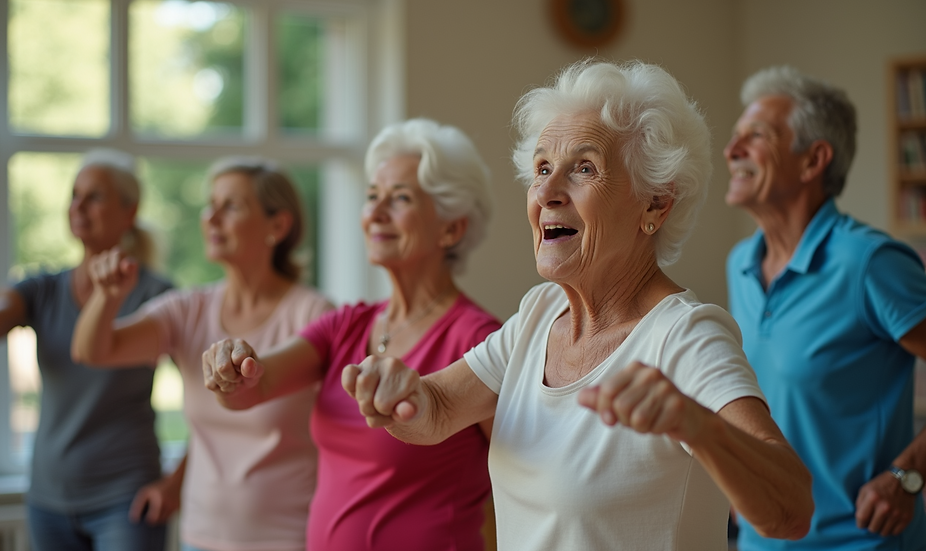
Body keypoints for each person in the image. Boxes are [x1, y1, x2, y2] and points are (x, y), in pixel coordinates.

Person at [320, 60, 816, 550]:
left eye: (584, 168)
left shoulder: (685, 336)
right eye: (541, 169)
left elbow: (791, 510)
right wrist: (399, 392)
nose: (547, 192)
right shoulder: (538, 315)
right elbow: (437, 409)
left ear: (655, 203)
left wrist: (699, 425)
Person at [200, 118, 500, 551]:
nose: (375, 213)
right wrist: (231, 370)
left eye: (400, 198)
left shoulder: (482, 340)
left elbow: (526, 475)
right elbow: (254, 386)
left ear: (451, 228)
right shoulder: (345, 324)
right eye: (372, 196)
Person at [71, 157, 333, 551]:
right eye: (211, 206)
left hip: (289, 537)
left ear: (277, 226)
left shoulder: (313, 314)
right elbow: (92, 350)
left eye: (231, 206)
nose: (211, 218)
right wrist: (107, 297)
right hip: (200, 536)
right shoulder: (188, 309)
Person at [724, 65, 926, 550]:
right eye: (736, 136)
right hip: (760, 539)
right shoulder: (740, 263)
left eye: (757, 135)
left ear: (813, 160)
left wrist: (908, 476)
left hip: (858, 541)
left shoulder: (870, 263)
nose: (732, 150)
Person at [0, 149, 172, 551]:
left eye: (94, 196)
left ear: (130, 211)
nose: (78, 207)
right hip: (48, 500)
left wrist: (178, 481)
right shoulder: (40, 289)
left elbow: (210, 394)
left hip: (126, 498)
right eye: (74, 195)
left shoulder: (157, 296)